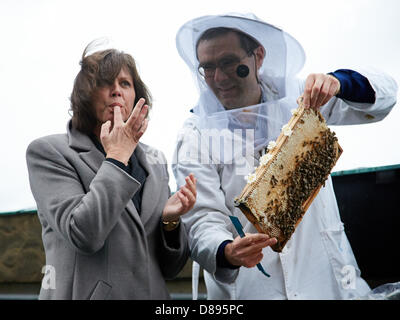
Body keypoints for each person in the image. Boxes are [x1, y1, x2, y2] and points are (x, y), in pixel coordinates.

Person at [172, 13, 398, 300]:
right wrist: (225, 250)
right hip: (251, 286)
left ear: (259, 55)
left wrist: (340, 82)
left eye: (228, 62)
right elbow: (201, 216)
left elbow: (383, 99)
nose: (218, 77)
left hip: (324, 277)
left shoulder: (297, 97)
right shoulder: (194, 134)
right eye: (208, 67)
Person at [26, 41, 197, 300]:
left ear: (137, 97)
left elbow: (171, 268)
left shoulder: (154, 161)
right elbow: (83, 235)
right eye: (106, 83)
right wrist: (117, 158)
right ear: (85, 94)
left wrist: (170, 222)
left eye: (125, 84)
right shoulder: (50, 152)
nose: (117, 91)